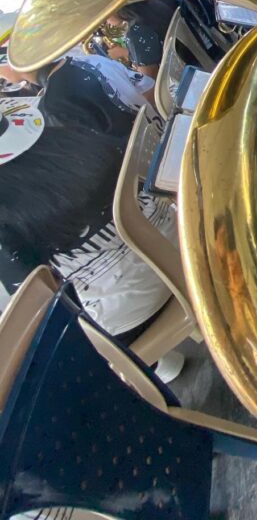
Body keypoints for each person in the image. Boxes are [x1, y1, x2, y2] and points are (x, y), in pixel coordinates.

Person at [0, 99, 181, 378]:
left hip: (137, 310)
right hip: (183, 242)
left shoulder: (7, 215)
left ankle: (159, 370)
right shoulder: (73, 137)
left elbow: (39, 300)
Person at [0, 54, 152, 137]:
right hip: (158, 129)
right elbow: (148, 87)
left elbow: (94, 155)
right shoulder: (91, 58)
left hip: (141, 164)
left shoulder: (52, 104)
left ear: (13, 61)